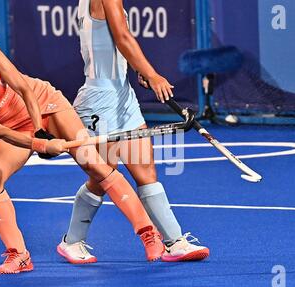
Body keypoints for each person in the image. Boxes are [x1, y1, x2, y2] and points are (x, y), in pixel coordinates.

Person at [0, 6, 165, 274]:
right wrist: (40, 144)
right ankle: (19, 254)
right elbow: (2, 132)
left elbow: (25, 89)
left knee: (94, 164)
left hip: (47, 104)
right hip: (15, 129)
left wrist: (41, 130)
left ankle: (148, 233)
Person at [57, 0, 210, 263]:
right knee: (103, 178)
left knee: (146, 171)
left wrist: (137, 69)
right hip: (97, 101)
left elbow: (111, 46)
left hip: (122, 97)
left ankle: (175, 242)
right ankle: (72, 241)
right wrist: (152, 74)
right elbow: (123, 37)